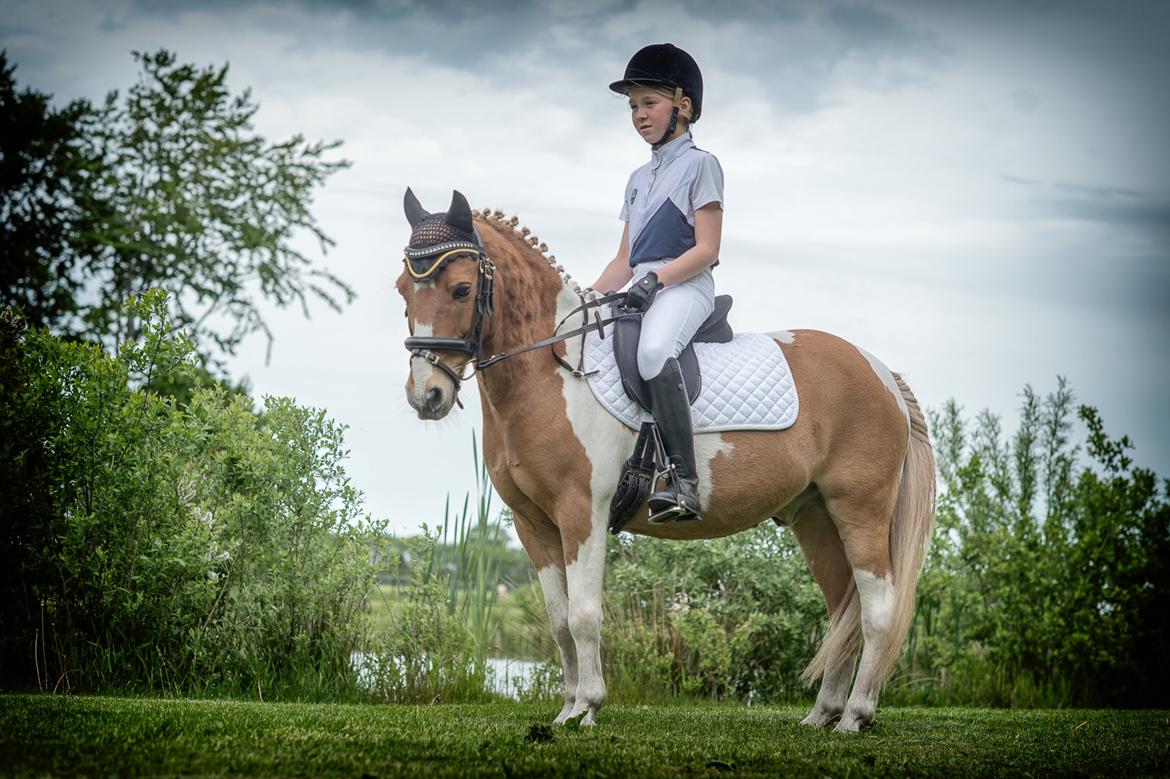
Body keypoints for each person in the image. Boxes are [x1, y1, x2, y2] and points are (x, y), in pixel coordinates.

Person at [590, 43, 724, 523]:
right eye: (633, 106)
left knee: (652, 353)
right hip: (639, 285)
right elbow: (625, 259)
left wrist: (658, 282)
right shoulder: (636, 178)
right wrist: (587, 299)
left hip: (686, 284)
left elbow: (708, 248)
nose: (639, 115)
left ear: (682, 106)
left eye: (649, 103)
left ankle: (685, 482)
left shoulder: (702, 165)